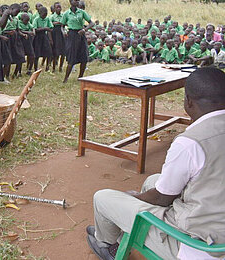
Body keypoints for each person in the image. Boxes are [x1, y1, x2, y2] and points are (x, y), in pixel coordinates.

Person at [87, 68, 225, 260]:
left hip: (198, 246)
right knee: (153, 180)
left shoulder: (190, 143)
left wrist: (135, 198)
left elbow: (162, 198)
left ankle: (106, 244)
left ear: (188, 101)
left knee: (102, 198)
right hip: (217, 224)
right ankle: (118, 227)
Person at [61, 0, 94, 83]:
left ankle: (80, 77)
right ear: (70, 2)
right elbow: (62, 25)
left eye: (78, 1)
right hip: (72, 35)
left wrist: (85, 29)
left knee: (84, 56)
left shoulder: (82, 12)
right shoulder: (66, 14)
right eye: (76, 0)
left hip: (81, 34)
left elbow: (91, 23)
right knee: (72, 57)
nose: (77, 2)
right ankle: (66, 78)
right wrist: (64, 31)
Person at [32, 6, 53, 71]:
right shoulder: (36, 19)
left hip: (44, 36)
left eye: (46, 14)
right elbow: (35, 29)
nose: (45, 16)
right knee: (37, 54)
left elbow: (51, 28)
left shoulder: (47, 19)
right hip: (38, 37)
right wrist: (44, 28)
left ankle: (47, 67)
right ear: (39, 13)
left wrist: (50, 39)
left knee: (49, 52)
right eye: (43, 14)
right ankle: (35, 68)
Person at [50, 2, 66, 72]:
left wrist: (58, 23)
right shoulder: (52, 17)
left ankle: (60, 67)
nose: (59, 9)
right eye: (57, 7)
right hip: (55, 34)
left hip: (62, 33)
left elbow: (65, 23)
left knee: (63, 52)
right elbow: (50, 25)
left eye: (60, 7)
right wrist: (58, 23)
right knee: (55, 52)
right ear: (54, 8)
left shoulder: (64, 15)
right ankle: (53, 68)